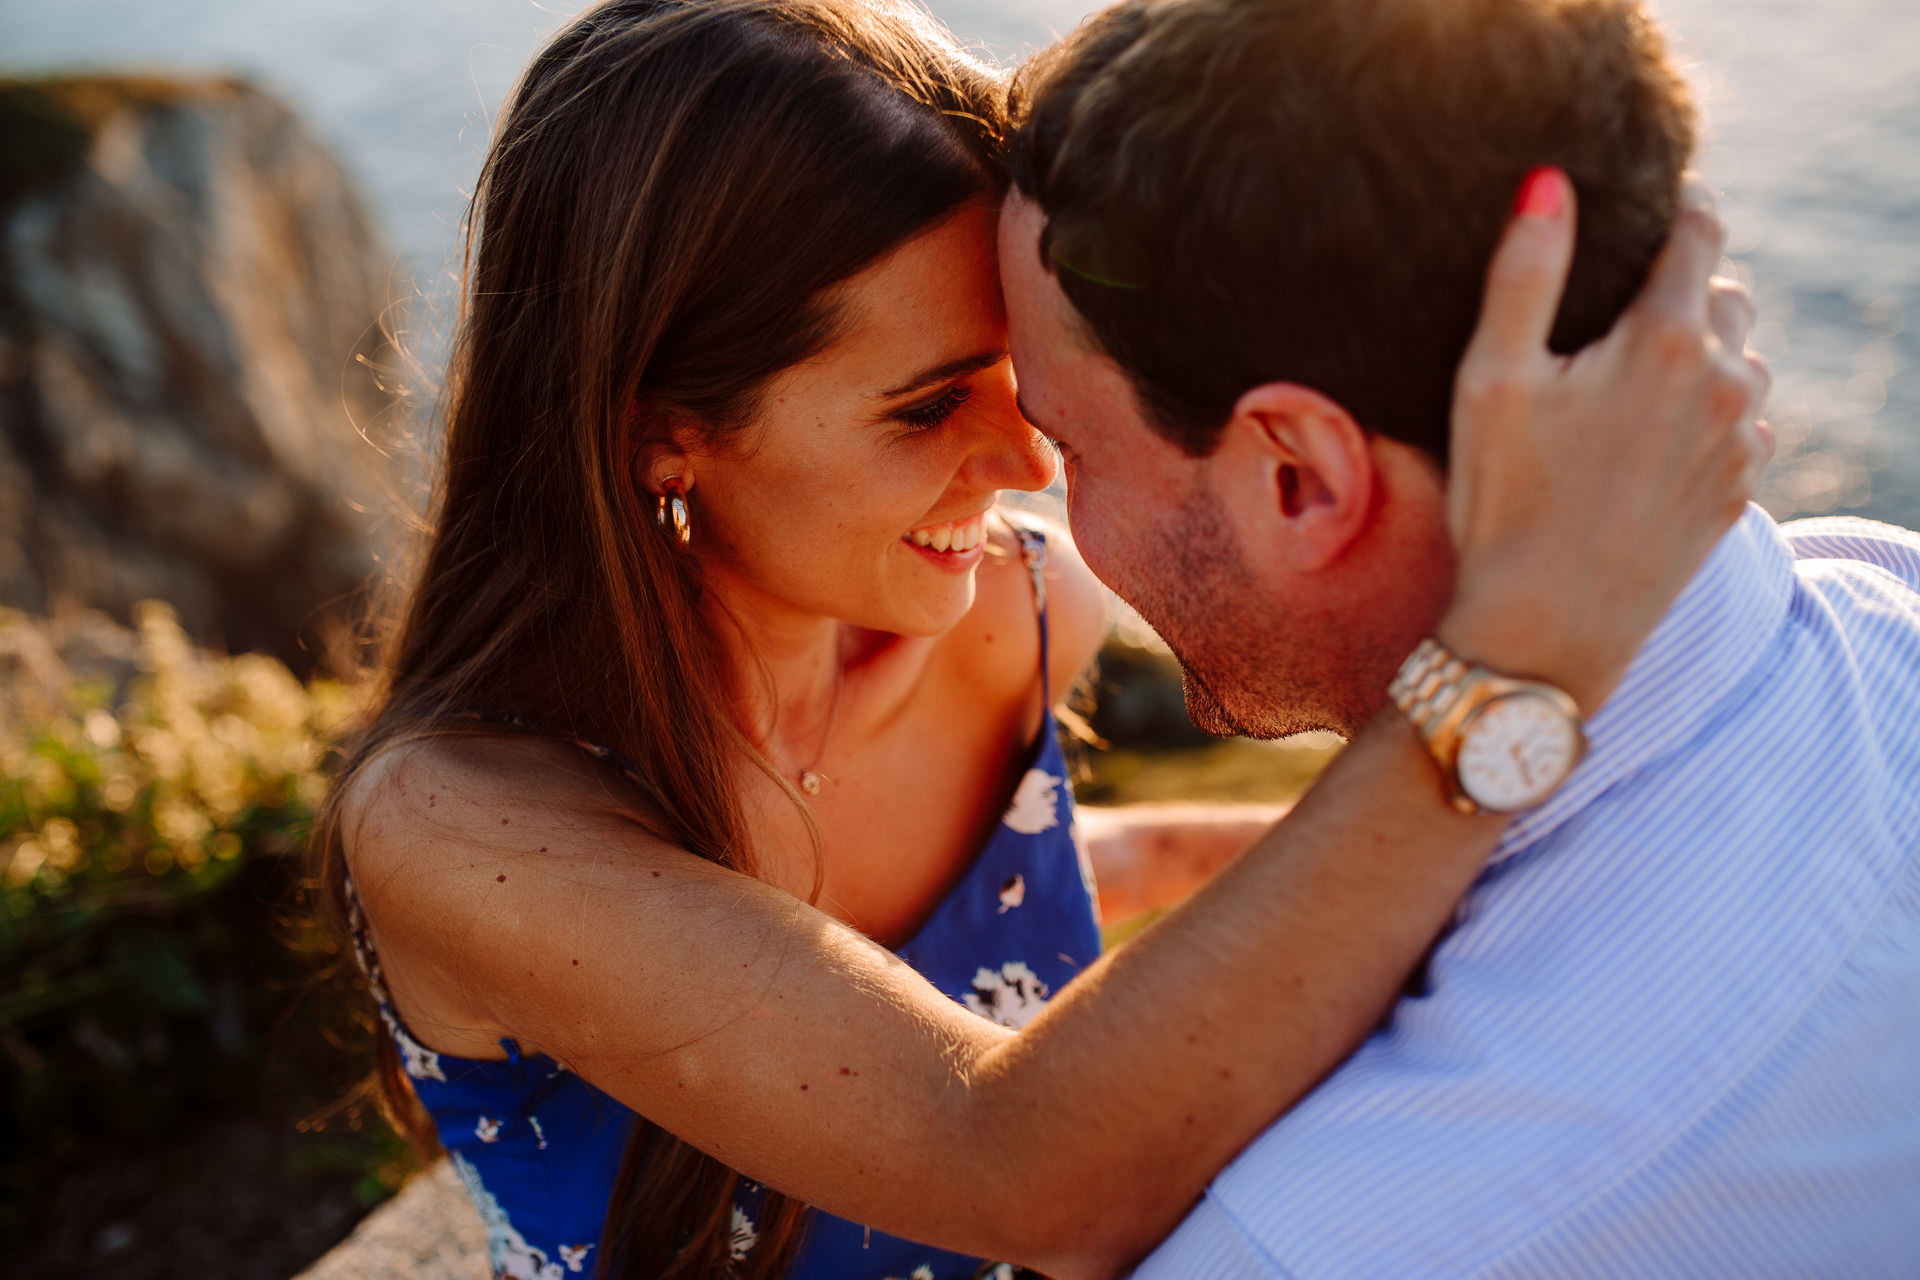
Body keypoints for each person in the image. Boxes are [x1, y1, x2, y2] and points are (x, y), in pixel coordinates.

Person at [314, 2, 1767, 1278]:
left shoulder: (1016, 602)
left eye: (1017, 371)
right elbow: (1018, 1169)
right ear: (664, 431)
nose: (1029, 458)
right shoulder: (458, 828)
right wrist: (1519, 654)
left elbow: (1022, 895)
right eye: (928, 403)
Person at [999, 0, 1920, 1273]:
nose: (1040, 507)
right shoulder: (1895, 605)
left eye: (1070, 449)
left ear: (1302, 480)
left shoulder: (1342, 1239)